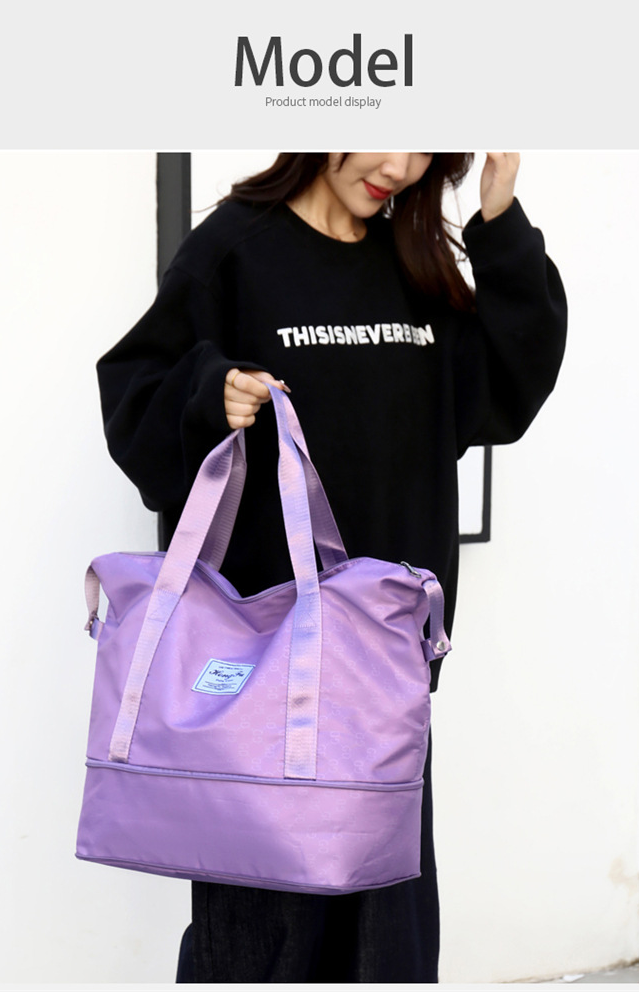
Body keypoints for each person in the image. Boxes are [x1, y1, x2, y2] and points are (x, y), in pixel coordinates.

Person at [96, 152, 567, 983]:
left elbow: (507, 386)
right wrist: (210, 391)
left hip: (381, 685)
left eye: (425, 147)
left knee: (386, 948)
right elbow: (133, 394)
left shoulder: (415, 267)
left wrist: (500, 221)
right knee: (259, 950)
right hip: (258, 699)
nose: (399, 165)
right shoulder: (234, 250)